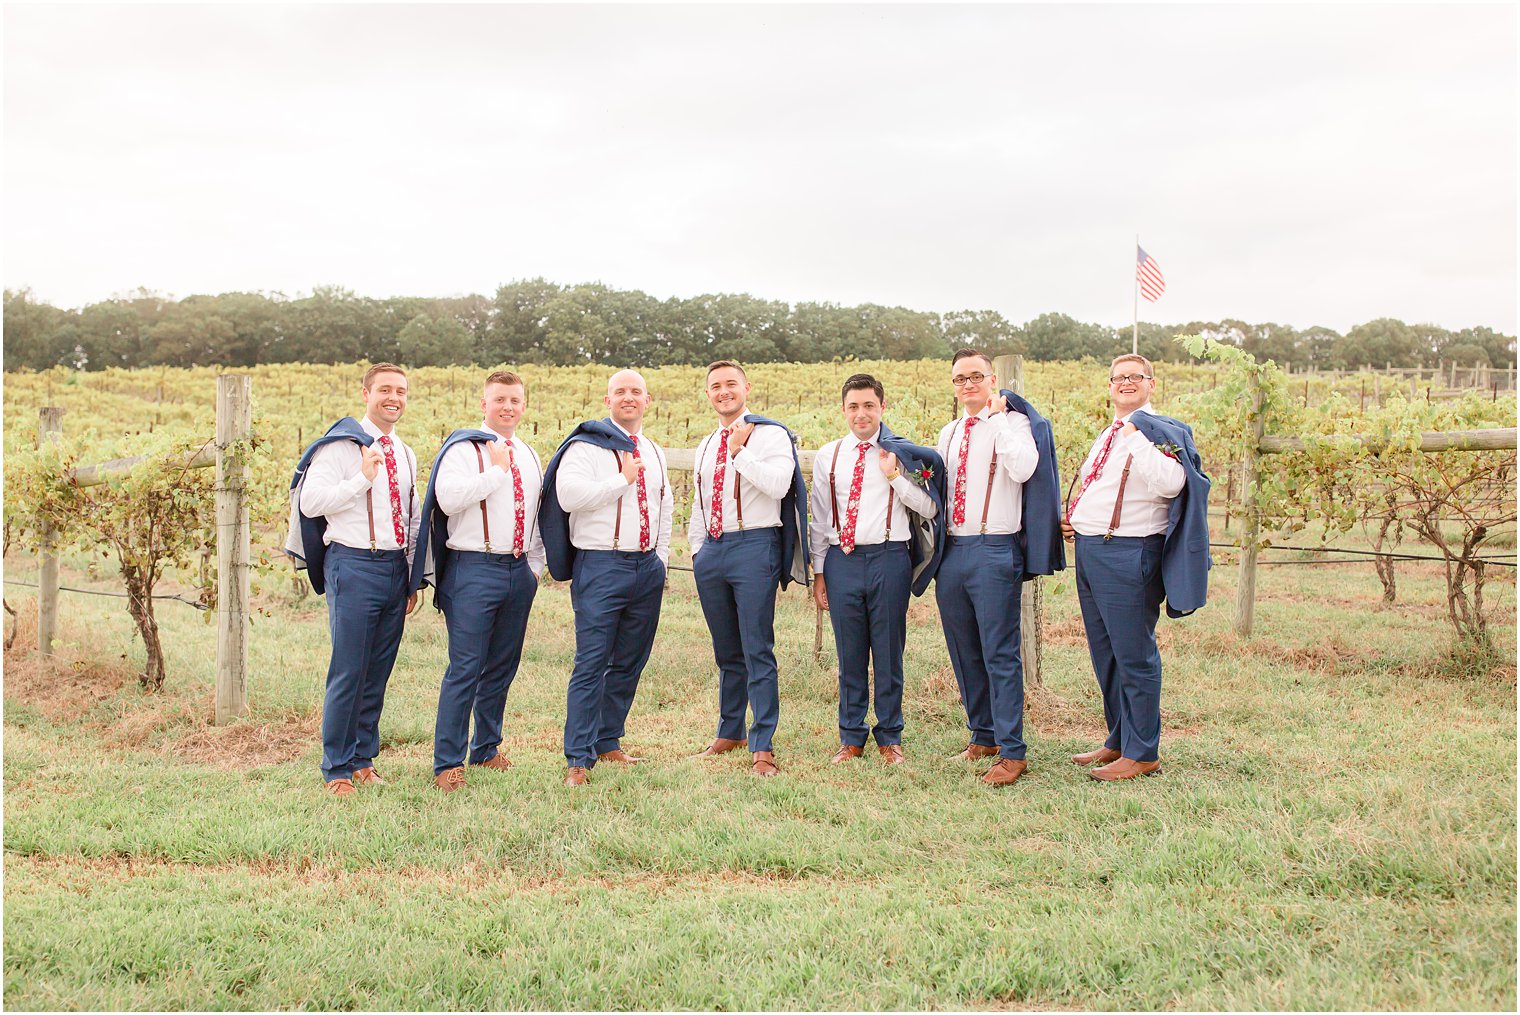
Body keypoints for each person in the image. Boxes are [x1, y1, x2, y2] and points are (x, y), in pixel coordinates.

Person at [1062, 353, 1210, 781]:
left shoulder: (1158, 432)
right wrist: (1077, 517)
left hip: (1129, 553)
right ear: (1110, 386)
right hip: (1091, 550)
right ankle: (1119, 739)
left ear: (1151, 384)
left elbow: (1172, 483)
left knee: (1134, 654)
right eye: (1119, 377)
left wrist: (1135, 437)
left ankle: (1143, 752)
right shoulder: (1108, 433)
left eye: (1135, 377)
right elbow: (1098, 484)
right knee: (1105, 652)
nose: (1126, 383)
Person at [286, 363, 421, 796]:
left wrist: (413, 577)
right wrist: (361, 479)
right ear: (365, 393)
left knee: (378, 670)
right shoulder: (342, 447)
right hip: (354, 564)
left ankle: (363, 759)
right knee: (349, 669)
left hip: (394, 568)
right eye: (384, 389)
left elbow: (410, 518)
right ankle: (337, 766)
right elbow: (311, 503)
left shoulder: (405, 452)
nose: (393, 398)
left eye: (400, 391)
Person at [934, 348, 1063, 787]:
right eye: (960, 379)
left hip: (994, 547)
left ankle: (1013, 750)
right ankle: (983, 734)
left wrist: (997, 419)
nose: (968, 385)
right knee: (963, 647)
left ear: (991, 379)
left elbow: (1024, 468)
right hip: (952, 550)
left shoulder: (1015, 424)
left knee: (999, 653)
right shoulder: (948, 432)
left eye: (975, 376)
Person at [412, 370, 545, 793]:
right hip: (473, 568)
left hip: (517, 570)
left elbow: (537, 514)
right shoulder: (464, 449)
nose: (508, 407)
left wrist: (534, 567)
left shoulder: (528, 452)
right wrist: (496, 473)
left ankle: (485, 748)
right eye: (500, 399)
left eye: (515, 400)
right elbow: (447, 499)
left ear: (524, 405)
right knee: (465, 667)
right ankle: (447, 762)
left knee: (502, 666)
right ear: (483, 404)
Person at [538, 369, 672, 788]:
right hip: (601, 565)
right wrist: (622, 479)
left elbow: (664, 505)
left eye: (636, 392)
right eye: (620, 392)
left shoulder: (651, 448)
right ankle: (578, 756)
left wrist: (662, 559)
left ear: (648, 401)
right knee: (592, 661)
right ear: (607, 400)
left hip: (645, 566)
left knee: (630, 659)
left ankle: (607, 739)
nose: (628, 398)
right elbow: (570, 496)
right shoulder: (586, 446)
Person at [809, 373, 944, 765]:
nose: (861, 413)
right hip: (841, 560)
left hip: (889, 557)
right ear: (844, 410)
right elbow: (819, 518)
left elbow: (931, 508)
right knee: (849, 652)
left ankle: (890, 736)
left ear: (882, 407)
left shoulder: (902, 454)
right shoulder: (828, 455)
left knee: (888, 651)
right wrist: (819, 571)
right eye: (854, 406)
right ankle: (851, 737)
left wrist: (894, 477)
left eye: (869, 405)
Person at [687, 360, 810, 777]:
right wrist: (696, 550)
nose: (724, 391)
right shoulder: (706, 443)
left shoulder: (770, 434)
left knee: (758, 646)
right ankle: (730, 730)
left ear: (747, 388)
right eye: (716, 386)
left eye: (731, 384)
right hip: (714, 550)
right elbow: (699, 501)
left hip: (755, 544)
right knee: (727, 651)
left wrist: (739, 452)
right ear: (708, 394)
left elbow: (778, 485)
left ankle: (763, 743)